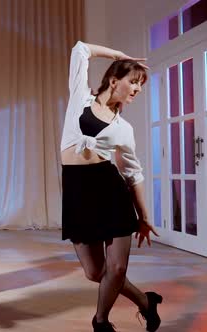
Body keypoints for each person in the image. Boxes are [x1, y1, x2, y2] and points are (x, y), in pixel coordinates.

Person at [60, 41, 162, 332]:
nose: (137, 89)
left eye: (140, 85)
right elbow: (80, 49)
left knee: (116, 268)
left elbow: (133, 173)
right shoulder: (80, 97)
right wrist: (119, 55)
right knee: (95, 272)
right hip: (78, 192)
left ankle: (101, 321)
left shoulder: (124, 129)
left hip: (110, 192)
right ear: (114, 80)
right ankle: (145, 301)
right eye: (134, 81)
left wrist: (143, 217)